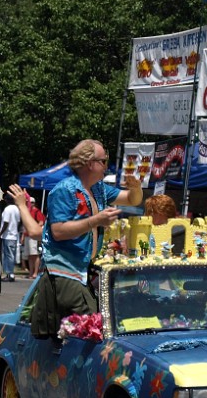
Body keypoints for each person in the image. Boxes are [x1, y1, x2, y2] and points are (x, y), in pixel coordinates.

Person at [31, 139, 142, 338]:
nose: (106, 166)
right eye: (104, 161)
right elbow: (58, 231)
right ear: (90, 164)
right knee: (90, 328)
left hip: (84, 271)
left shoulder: (98, 189)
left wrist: (136, 187)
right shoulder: (64, 190)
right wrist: (96, 220)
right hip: (65, 271)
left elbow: (132, 200)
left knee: (91, 328)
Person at [7, 185, 46, 276]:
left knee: (34, 255)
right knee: (29, 255)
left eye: (32, 202)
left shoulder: (36, 211)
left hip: (34, 235)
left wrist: (33, 228)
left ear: (34, 203)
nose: (30, 203)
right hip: (28, 235)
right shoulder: (28, 211)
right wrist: (24, 236)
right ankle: (31, 272)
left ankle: (35, 272)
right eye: (29, 202)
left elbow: (41, 222)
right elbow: (25, 226)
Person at [0, 196, 21, 280]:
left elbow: (6, 222)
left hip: (7, 235)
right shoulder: (16, 209)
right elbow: (19, 222)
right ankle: (10, 273)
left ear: (6, 200)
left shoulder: (7, 209)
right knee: (12, 255)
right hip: (14, 235)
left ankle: (9, 273)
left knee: (7, 255)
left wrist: (0, 233)